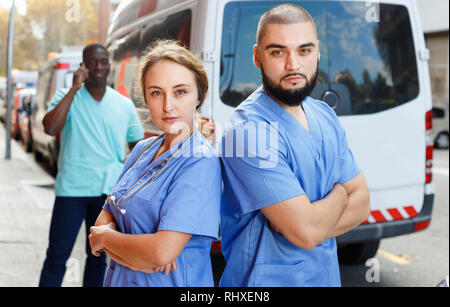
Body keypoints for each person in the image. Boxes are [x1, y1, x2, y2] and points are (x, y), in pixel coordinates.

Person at [219, 4, 371, 287]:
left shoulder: (324, 114)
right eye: (278, 52)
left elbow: (362, 203)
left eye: (304, 50)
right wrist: (340, 194)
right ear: (257, 56)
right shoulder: (248, 131)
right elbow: (306, 232)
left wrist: (313, 222)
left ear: (317, 52)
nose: (293, 65)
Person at [88, 40, 221, 287]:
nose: (168, 105)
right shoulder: (142, 150)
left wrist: (110, 239)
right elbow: (99, 226)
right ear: (146, 98)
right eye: (156, 92)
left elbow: (161, 253)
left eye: (180, 91)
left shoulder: (200, 162)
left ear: (199, 96)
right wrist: (139, 256)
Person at [39, 44, 145, 287]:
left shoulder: (123, 104)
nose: (98, 67)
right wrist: (75, 88)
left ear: (109, 65)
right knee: (57, 256)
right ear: (83, 67)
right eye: (91, 62)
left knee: (97, 258)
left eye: (103, 62)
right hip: (71, 191)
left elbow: (139, 148)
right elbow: (50, 128)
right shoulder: (66, 96)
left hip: (107, 194)